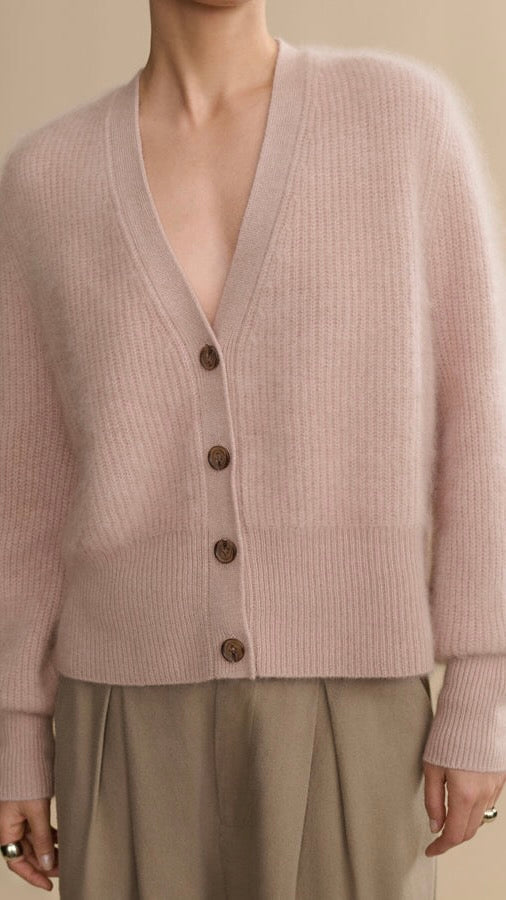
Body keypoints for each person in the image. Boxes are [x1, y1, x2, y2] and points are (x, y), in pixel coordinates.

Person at [1, 0, 505, 897]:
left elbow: (482, 425)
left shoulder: (402, 122)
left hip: (356, 705)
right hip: (120, 716)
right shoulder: (48, 177)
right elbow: (25, 488)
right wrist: (13, 729)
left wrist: (483, 688)